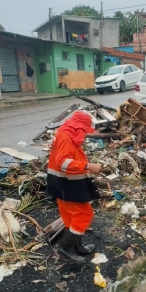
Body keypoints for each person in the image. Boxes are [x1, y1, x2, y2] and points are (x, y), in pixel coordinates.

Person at [46, 111, 102, 264]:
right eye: (83, 130)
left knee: (70, 217)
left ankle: (77, 246)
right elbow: (62, 162)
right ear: (77, 127)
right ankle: (66, 249)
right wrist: (88, 166)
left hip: (64, 183)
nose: (84, 135)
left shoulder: (67, 135)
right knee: (84, 214)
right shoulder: (65, 137)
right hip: (66, 184)